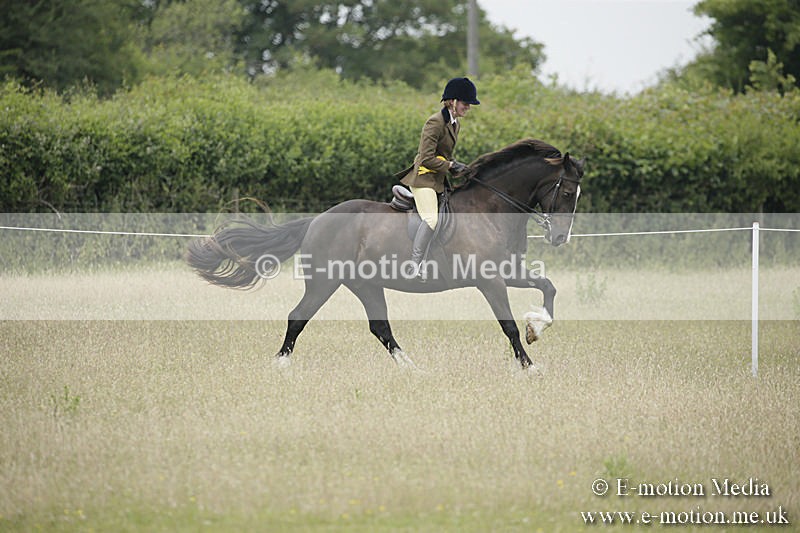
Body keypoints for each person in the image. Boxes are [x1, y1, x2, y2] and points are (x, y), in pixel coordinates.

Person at [400, 77, 480, 280]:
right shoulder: (435, 122)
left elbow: (445, 155)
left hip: (439, 180)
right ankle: (415, 266)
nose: (468, 107)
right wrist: (450, 165)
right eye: (465, 103)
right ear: (452, 101)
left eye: (469, 104)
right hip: (423, 179)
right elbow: (426, 157)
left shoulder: (455, 124)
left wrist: (460, 169)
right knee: (431, 219)